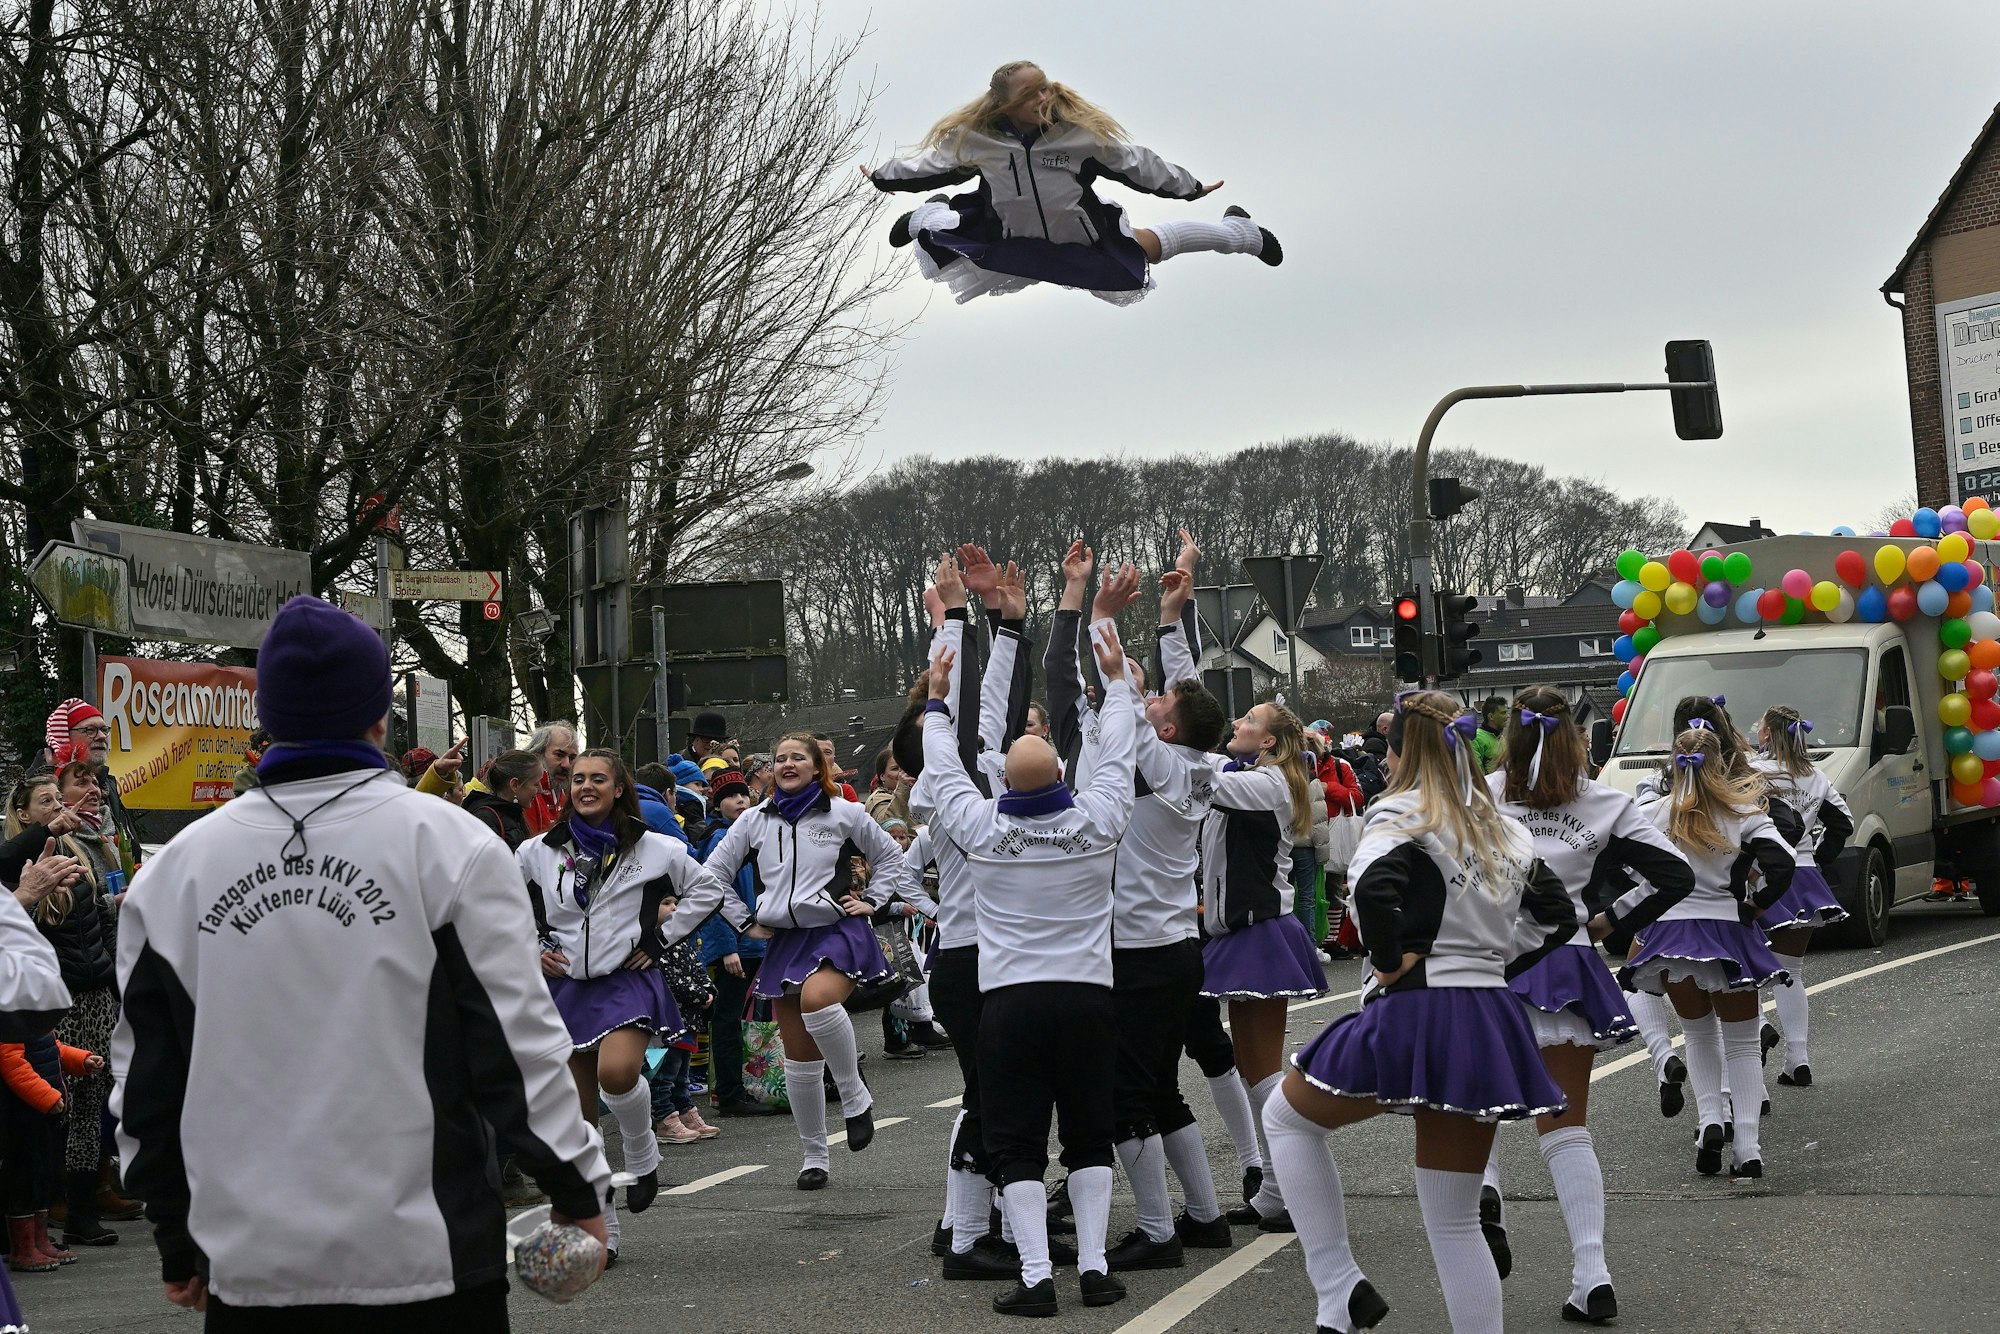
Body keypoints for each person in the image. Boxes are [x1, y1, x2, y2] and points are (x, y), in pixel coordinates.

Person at [110, 595, 611, 1328]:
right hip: (424, 1259)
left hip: (254, 1267)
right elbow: (516, 1046)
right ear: (379, 716)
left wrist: (177, 1240)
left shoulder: (172, 874)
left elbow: (148, 1082)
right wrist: (577, 1192)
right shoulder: (453, 847)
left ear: (269, 716)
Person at [1265, 691, 1578, 1334]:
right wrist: (1495, 964)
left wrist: (1389, 961)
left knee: (1288, 1121)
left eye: (1391, 747)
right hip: (1489, 1011)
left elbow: (1374, 889)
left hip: (1421, 1007)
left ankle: (1338, 1285)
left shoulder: (1402, 812)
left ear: (1407, 751)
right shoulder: (1504, 827)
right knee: (1457, 1218)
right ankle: (1343, 1295)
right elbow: (1558, 917)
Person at [920, 617, 1139, 1317]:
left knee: (1016, 1144)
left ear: (1004, 781)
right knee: (1089, 1134)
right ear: (1060, 775)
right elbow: (1116, 752)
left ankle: (1039, 1279)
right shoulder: (1099, 821)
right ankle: (1097, 1269)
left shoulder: (983, 829)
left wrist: (935, 699)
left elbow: (943, 767)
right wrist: (1111, 679)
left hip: (1011, 1003)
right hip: (1087, 1000)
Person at [1483, 688, 1695, 1325]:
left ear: (1509, 736)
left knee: (1474, 1105)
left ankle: (1485, 1198)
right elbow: (1674, 874)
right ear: (1577, 738)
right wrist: (1607, 920)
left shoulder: (1482, 794)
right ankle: (1591, 1273)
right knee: (1566, 1125)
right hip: (1565, 961)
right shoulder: (1607, 800)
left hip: (1486, 958)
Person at [662, 731, 907, 1191]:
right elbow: (713, 872)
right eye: (780, 759)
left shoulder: (846, 813)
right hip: (784, 941)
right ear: (772, 770)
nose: (788, 764)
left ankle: (855, 1095)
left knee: (819, 1002)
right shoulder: (754, 820)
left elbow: (891, 855)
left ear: (818, 767)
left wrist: (872, 899)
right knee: (798, 1057)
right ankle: (814, 1155)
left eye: (799, 757)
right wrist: (743, 920)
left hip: (836, 929)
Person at [1093, 547, 1239, 1272]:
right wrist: (1170, 616)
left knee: (1124, 1094)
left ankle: (1157, 1231)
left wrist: (1101, 622)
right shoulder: (1196, 761)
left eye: (1161, 710)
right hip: (1173, 948)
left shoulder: (1159, 759)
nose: (1154, 703)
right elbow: (1183, 690)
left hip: (1144, 954)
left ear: (1169, 732)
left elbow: (1125, 699)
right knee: (1158, 1085)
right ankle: (1207, 1217)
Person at [865, 60, 1280, 308]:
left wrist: (1188, 187)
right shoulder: (979, 141)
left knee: (1147, 249)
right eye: (1030, 94)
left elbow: (1135, 163)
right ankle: (928, 213)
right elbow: (928, 164)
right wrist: (883, 176)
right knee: (944, 237)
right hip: (1009, 241)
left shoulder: (1078, 135)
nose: (1043, 97)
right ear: (1006, 104)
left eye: (1044, 86)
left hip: (1079, 239)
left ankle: (1241, 235)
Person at [1622, 726, 1795, 1180]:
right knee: (1740, 1044)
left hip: (1671, 935)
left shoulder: (1652, 813)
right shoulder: (1743, 812)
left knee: (1697, 1035)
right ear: (1720, 763)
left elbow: (1627, 867)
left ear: (1671, 763)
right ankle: (1749, 1149)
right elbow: (1783, 863)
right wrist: (1754, 906)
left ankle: (1709, 1122)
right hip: (1726, 929)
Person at [1200, 699, 1329, 1235]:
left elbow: (1199, 780)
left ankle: (1293, 1188)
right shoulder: (1263, 777)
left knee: (1264, 1072)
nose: (1237, 724)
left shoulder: (1266, 784)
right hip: (1243, 930)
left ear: (1270, 741)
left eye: (1248, 721)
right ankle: (1279, 1191)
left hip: (1259, 933)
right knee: (1257, 1070)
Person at [7, 759, 128, 1248]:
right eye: (48, 802)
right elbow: (18, 937)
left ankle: (83, 1199)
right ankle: (63, 1207)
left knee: (94, 1094)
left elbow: (96, 915)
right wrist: (31, 896)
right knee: (65, 1103)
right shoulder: (20, 861)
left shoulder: (78, 846)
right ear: (22, 812)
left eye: (60, 802)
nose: (60, 809)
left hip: (95, 986)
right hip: (61, 998)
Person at [1751, 705, 1853, 1089]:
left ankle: (1757, 1035)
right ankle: (1799, 1059)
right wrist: (1817, 861)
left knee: (1745, 970)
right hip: (1805, 877)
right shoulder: (1816, 775)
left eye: (1759, 727)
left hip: (1762, 876)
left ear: (1766, 735)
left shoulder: (1755, 772)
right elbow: (1843, 824)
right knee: (1790, 972)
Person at [0, 876, 79, 1321]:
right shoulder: (11, 1018)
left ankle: (42, 1238)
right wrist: (48, 1097)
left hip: (50, 1107)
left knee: (46, 1176)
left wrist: (80, 1059)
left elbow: (52, 1051)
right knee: (25, 1181)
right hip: (32, 1111)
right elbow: (14, 1065)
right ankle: (25, 1246)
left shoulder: (34, 1015)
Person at [688, 769, 780, 1118]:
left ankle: (747, 1085)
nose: (740, 800)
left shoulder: (750, 833)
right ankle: (728, 1093)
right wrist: (727, 947)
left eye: (744, 794)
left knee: (749, 1019)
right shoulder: (719, 840)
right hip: (736, 947)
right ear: (717, 804)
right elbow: (712, 898)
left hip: (754, 943)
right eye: (731, 796)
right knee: (727, 1019)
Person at [459, 750, 543, 850]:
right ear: (514, 785)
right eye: (536, 784)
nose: (541, 790)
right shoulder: (486, 819)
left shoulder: (511, 814)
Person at [522, 721, 580, 834]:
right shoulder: (525, 793)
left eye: (572, 757)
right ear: (538, 753)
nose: (567, 764)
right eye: (559, 755)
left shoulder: (565, 794)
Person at [1473, 698, 1506, 776]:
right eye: (1503, 713)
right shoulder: (1476, 738)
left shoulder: (1503, 737)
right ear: (1491, 716)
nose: (1507, 716)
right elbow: (1477, 774)